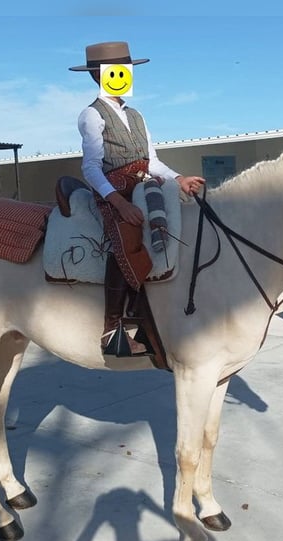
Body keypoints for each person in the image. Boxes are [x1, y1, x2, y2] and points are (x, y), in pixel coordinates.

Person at [70, 41, 205, 357]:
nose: (120, 76)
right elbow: (90, 167)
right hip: (112, 189)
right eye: (114, 72)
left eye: (124, 71)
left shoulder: (138, 116)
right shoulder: (91, 115)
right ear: (99, 76)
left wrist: (178, 179)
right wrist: (118, 202)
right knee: (128, 240)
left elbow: (152, 160)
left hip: (143, 183)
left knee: (174, 227)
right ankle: (112, 330)